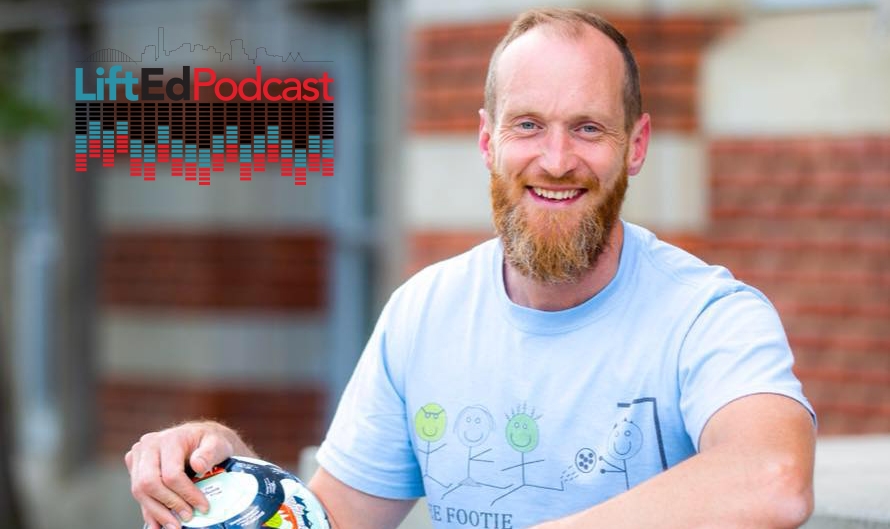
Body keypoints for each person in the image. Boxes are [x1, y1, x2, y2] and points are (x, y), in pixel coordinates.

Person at [126, 8, 816, 529]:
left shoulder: (707, 315)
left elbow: (773, 475)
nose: (554, 158)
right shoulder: (423, 313)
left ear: (635, 145)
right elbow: (331, 520)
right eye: (527, 126)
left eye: (587, 127)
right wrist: (228, 474)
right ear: (486, 139)